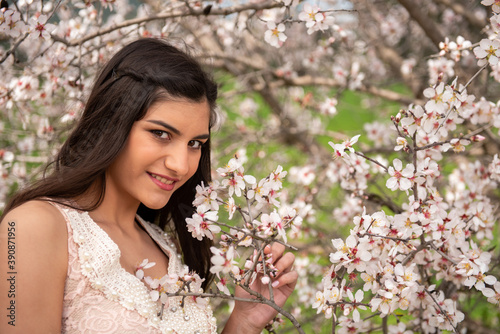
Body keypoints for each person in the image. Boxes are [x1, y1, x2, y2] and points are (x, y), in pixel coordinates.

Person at [0, 38, 297, 333]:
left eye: (195, 143)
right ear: (112, 122)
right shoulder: (31, 228)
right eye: (161, 134)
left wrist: (243, 324)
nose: (181, 165)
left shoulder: (162, 245)